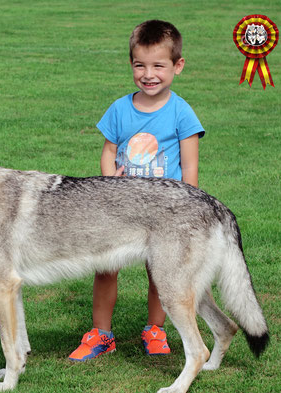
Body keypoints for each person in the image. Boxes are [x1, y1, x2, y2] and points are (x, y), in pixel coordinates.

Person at [69, 20, 205, 361]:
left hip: (164, 212)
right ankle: (101, 334)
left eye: (158, 66)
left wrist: (186, 209)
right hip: (118, 208)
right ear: (131, 64)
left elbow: (190, 167)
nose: (148, 74)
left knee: (160, 271)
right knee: (105, 267)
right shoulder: (119, 109)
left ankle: (155, 330)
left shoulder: (182, 113)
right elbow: (108, 152)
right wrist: (107, 183)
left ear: (178, 66)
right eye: (139, 65)